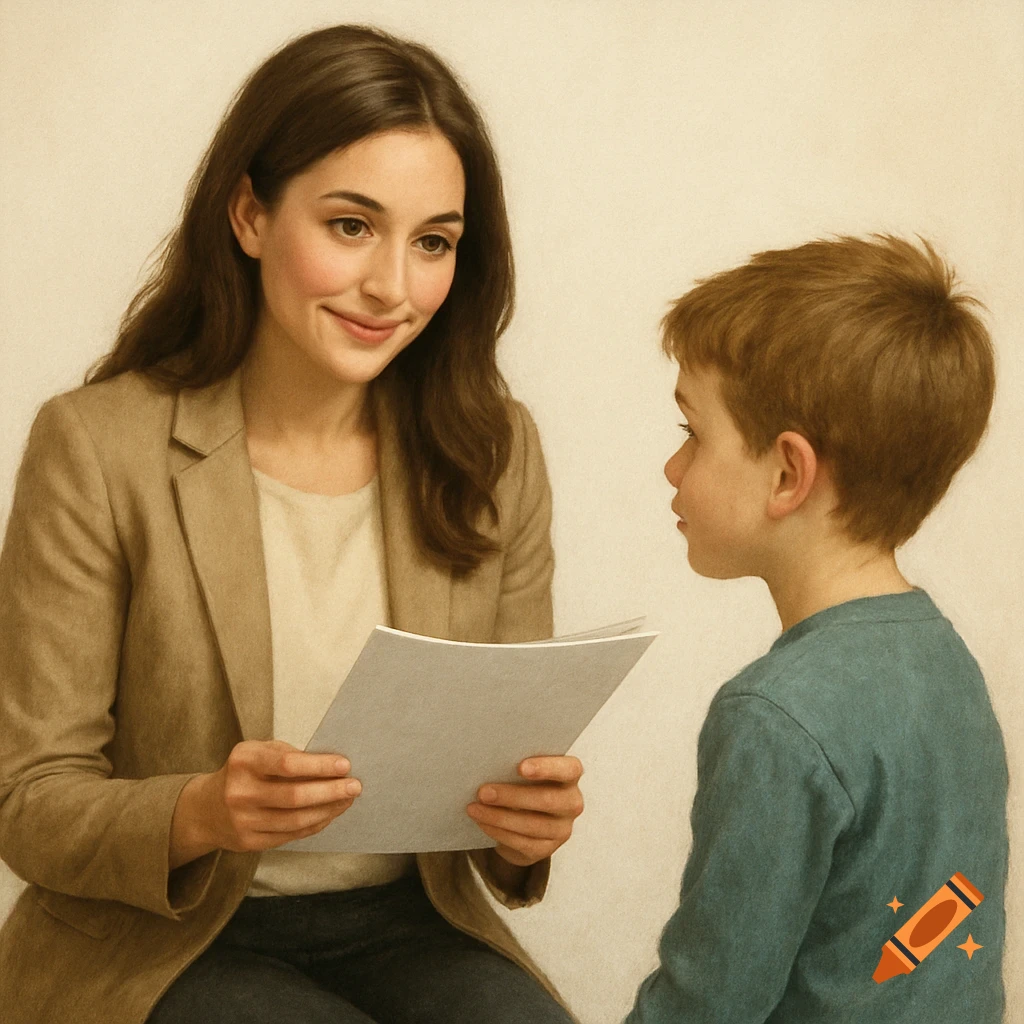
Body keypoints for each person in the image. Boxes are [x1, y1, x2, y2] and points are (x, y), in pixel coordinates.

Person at [0, 25, 584, 1024]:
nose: (392, 288)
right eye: (352, 225)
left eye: (433, 241)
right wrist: (200, 810)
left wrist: (523, 828)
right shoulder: (98, 447)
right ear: (250, 215)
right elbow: (29, 797)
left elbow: (497, 759)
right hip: (162, 935)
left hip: (408, 921)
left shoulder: (494, 450)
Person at [625, 235, 1007, 1022]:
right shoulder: (948, 664)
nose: (673, 468)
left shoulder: (774, 716)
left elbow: (708, 1003)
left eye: (692, 433)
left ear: (788, 474)